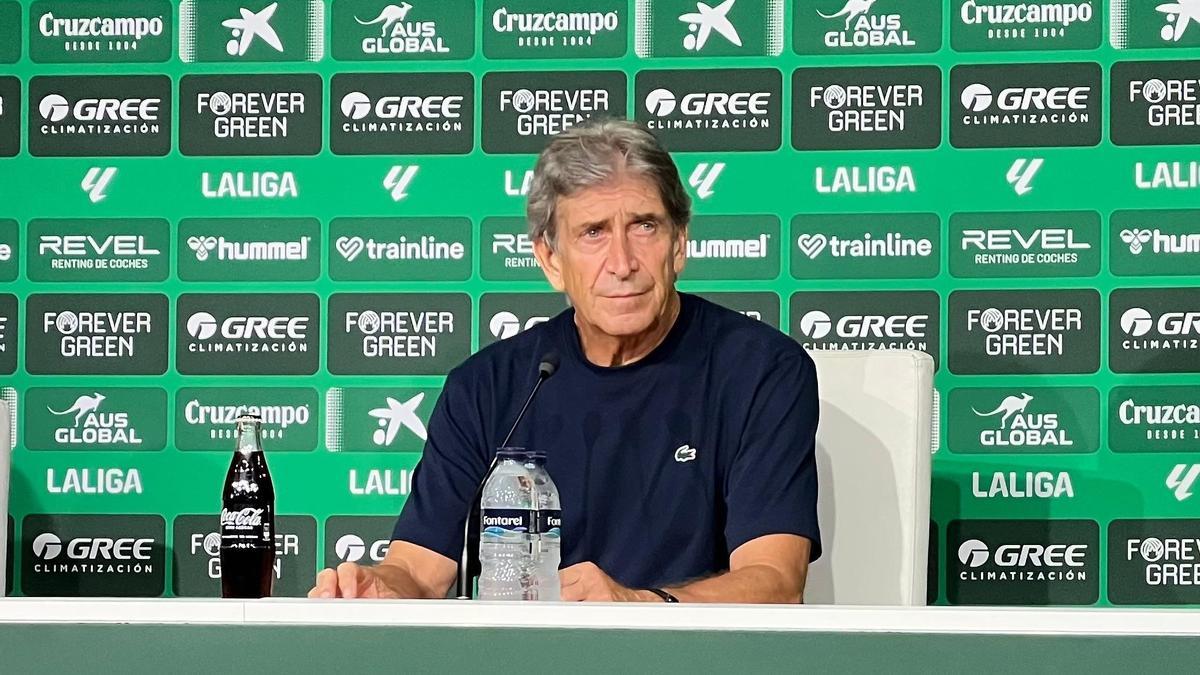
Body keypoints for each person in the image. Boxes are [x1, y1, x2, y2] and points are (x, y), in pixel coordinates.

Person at [309, 118, 820, 603]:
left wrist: (640, 605)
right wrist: (377, 588)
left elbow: (775, 581)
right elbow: (419, 570)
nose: (622, 263)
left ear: (679, 244)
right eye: (593, 232)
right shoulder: (489, 387)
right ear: (551, 260)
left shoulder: (762, 371)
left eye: (644, 226)